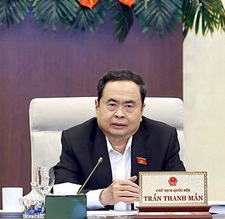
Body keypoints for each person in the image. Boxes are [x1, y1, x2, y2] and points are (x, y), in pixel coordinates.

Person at [53, 69, 185, 210]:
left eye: (129, 106)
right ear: (97, 106)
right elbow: (61, 195)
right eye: (112, 105)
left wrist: (152, 196)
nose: (119, 114)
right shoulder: (76, 140)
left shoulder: (163, 138)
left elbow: (181, 190)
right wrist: (102, 196)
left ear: (142, 110)